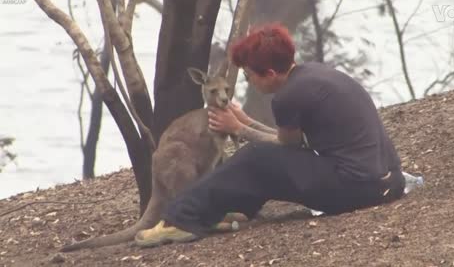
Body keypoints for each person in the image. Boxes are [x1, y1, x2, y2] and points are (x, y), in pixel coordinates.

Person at [134, 23, 406, 247]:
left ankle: (181, 219)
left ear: (271, 74)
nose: (249, 81)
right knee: (262, 161)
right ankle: (227, 213)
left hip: (359, 189)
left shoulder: (288, 96)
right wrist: (247, 121)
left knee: (254, 157)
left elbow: (283, 146)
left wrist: (238, 128)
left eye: (250, 75)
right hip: (389, 183)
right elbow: (288, 146)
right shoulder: (314, 74)